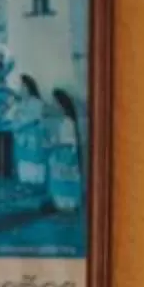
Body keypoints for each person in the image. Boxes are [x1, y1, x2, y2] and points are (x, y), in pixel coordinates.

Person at [9, 74, 50, 200]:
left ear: (29, 87)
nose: (21, 89)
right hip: (21, 137)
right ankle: (24, 184)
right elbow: (14, 117)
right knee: (22, 161)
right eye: (20, 86)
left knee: (33, 162)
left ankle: (35, 186)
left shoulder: (37, 102)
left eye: (23, 86)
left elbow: (34, 119)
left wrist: (21, 125)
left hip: (33, 137)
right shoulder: (20, 103)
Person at [48, 87, 84, 215]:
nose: (52, 105)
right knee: (62, 179)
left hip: (66, 155)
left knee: (65, 180)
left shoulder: (68, 122)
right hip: (62, 154)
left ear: (61, 105)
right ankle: (63, 205)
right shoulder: (64, 121)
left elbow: (69, 142)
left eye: (54, 102)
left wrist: (54, 144)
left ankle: (67, 205)